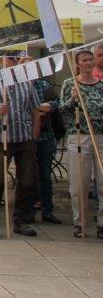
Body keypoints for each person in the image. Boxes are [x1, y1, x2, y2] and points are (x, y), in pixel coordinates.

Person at [0, 54, 41, 238]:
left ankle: (21, 221)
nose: (13, 61)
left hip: (25, 138)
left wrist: (34, 136)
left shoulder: (26, 83)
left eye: (15, 58)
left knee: (27, 181)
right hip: (1, 138)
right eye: (9, 58)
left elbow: (35, 110)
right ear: (0, 61)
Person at [58, 48, 103, 238]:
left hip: (100, 136)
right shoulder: (70, 83)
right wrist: (72, 99)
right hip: (78, 135)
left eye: (90, 59)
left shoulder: (101, 85)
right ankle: (80, 222)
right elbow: (61, 109)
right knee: (79, 183)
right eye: (84, 60)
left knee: (102, 183)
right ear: (77, 64)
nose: (88, 63)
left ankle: (102, 223)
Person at [32, 61, 62, 225]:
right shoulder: (18, 87)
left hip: (45, 135)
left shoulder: (44, 85)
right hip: (26, 137)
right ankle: (28, 210)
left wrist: (47, 106)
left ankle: (47, 210)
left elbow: (58, 102)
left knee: (44, 174)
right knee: (28, 175)